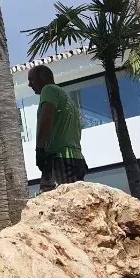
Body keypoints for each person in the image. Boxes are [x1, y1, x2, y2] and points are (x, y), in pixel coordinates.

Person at [28, 63, 87, 193]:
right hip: (75, 159)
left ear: (43, 76)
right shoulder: (67, 100)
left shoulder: (48, 89)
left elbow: (46, 119)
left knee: (53, 200)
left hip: (60, 159)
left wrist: (40, 150)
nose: (29, 84)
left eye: (31, 79)